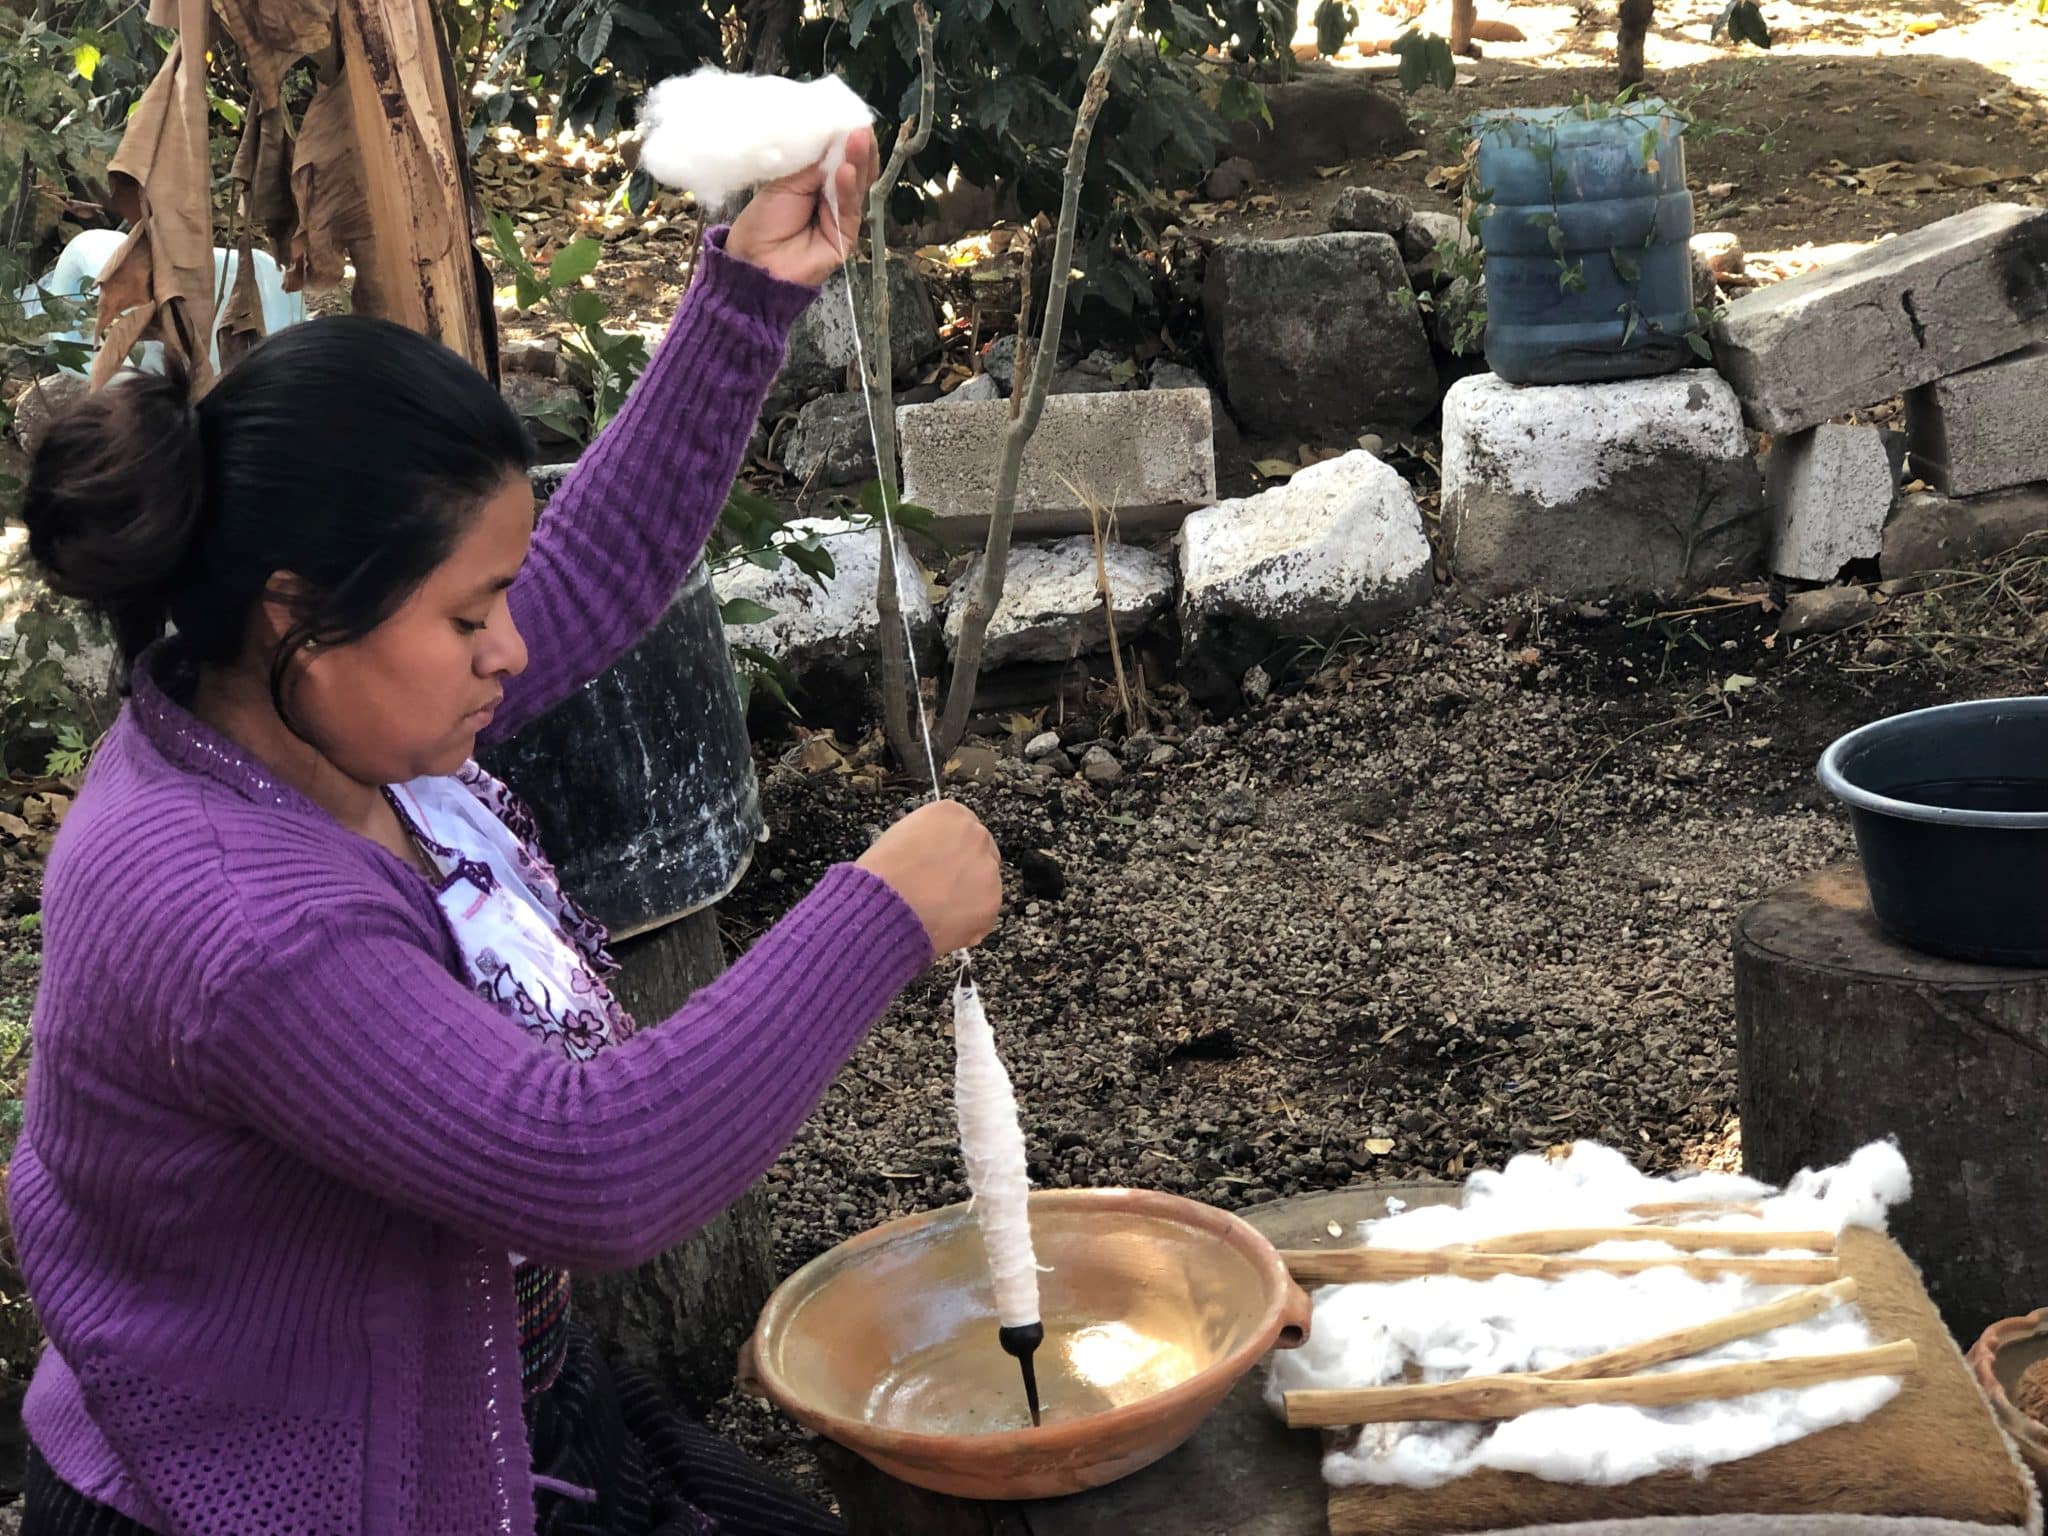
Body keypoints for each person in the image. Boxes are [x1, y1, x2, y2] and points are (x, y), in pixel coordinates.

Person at [7, 126, 1002, 1535]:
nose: (510, 648)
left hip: (474, 1394)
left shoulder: (292, 706)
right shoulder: (237, 915)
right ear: (302, 610)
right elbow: (593, 1166)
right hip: (280, 1488)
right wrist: (877, 913)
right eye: (471, 616)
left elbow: (592, 561)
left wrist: (748, 294)